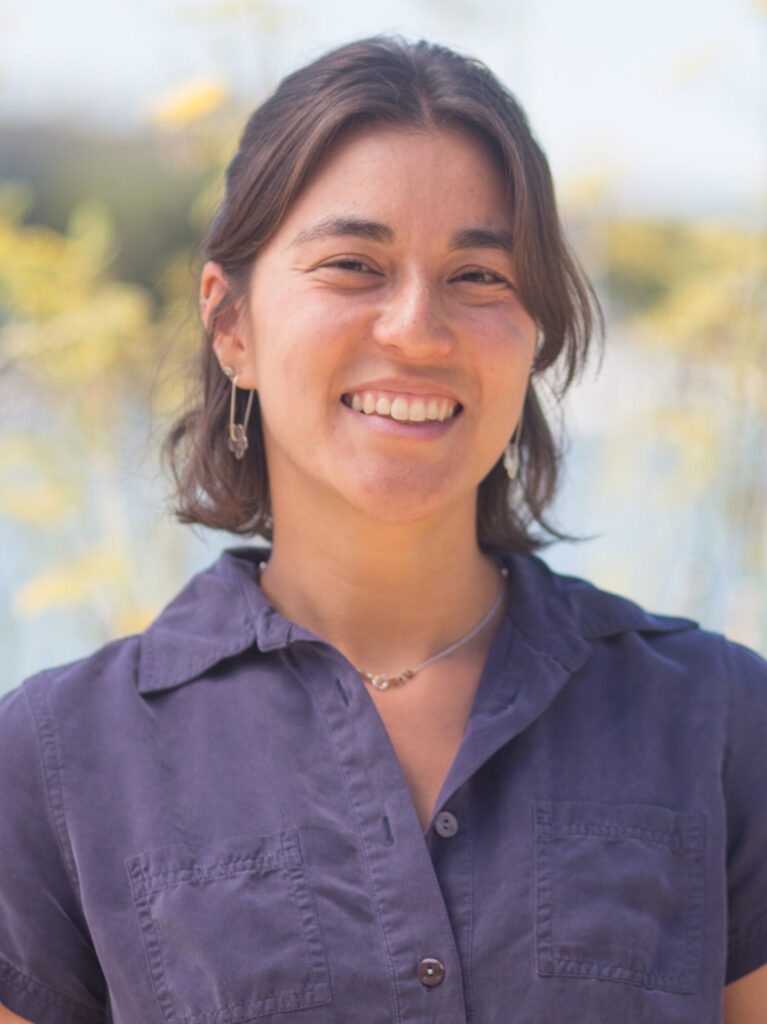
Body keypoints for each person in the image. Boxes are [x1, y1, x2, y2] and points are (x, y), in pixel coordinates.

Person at [1, 35, 765, 1024]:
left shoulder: (720, 723)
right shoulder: (54, 761)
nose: (414, 327)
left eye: (478, 277)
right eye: (353, 264)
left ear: (532, 331)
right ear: (231, 325)